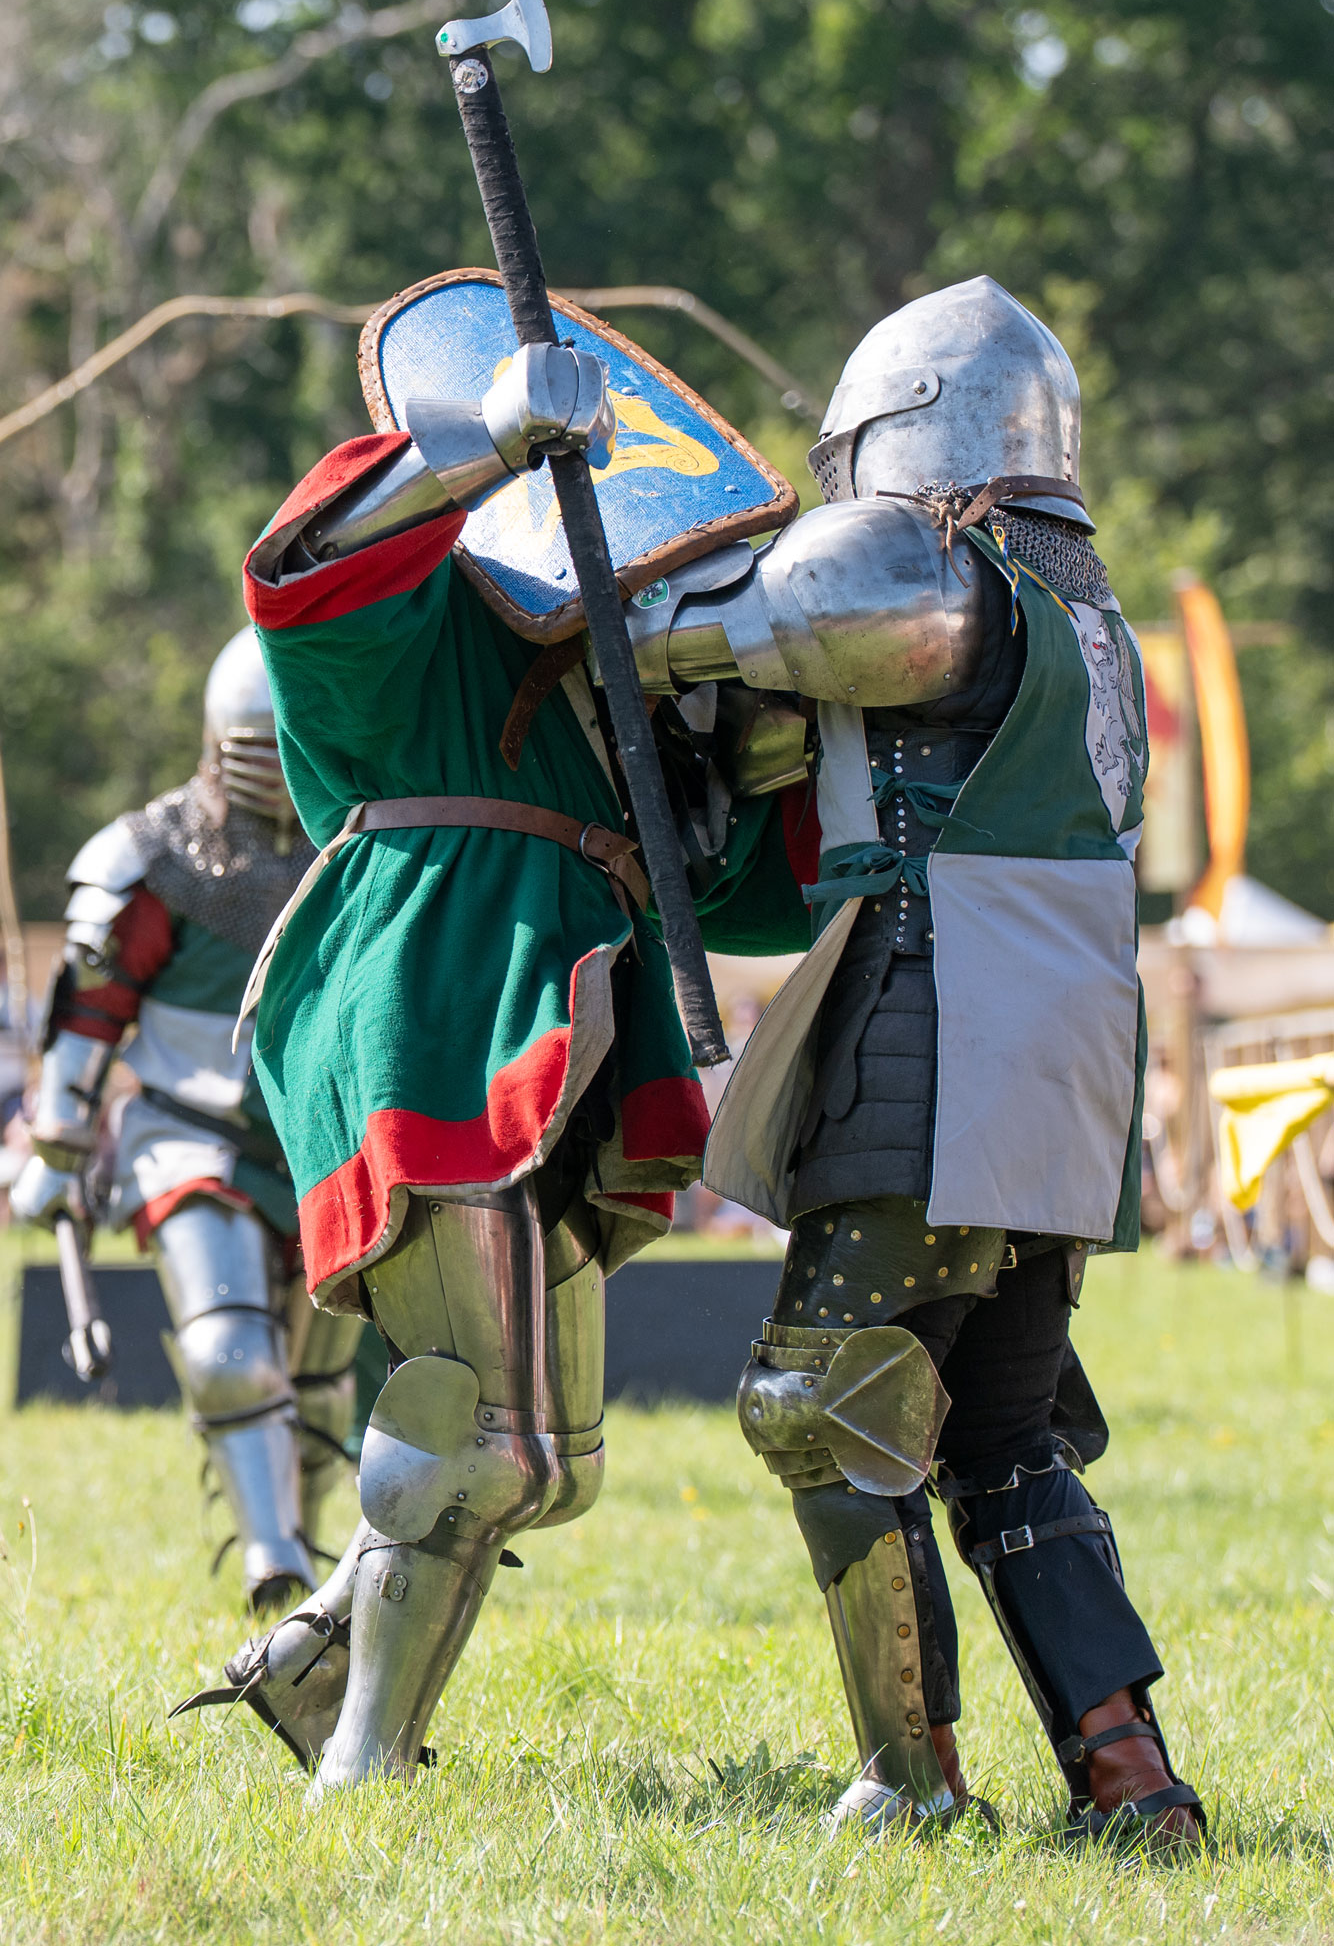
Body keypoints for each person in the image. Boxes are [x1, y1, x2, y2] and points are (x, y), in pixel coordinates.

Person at [623, 276, 1203, 1847]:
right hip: (1068, 1050)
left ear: (895, 435)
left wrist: (606, 594)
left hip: (936, 1022)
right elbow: (791, 739)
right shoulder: (1085, 605)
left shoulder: (919, 557)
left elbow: (716, 634)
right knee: (999, 1434)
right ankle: (1126, 1774)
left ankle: (913, 1777)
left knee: (819, 1399)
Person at [173, 338, 784, 1792]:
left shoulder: (627, 667)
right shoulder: (423, 617)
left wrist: (746, 734)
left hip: (566, 1001)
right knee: (482, 1430)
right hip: (430, 983)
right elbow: (302, 575)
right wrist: (482, 440)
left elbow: (751, 885)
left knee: (548, 1460)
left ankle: (312, 1665)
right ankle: (360, 1771)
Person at [11, 632, 361, 1611]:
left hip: (322, 1138)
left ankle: (306, 1552)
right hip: (187, 1130)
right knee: (226, 1352)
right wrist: (55, 1135)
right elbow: (91, 1007)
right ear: (221, 740)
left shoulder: (363, 845)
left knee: (321, 1381)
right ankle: (272, 1556)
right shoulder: (154, 853)